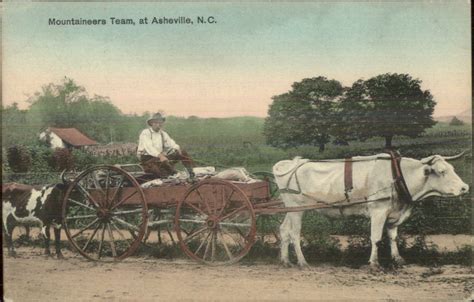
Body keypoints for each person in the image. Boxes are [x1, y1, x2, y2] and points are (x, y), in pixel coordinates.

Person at [137, 112, 195, 179]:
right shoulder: (146, 133)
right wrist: (160, 155)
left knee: (182, 152)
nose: (159, 124)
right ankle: (174, 174)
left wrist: (177, 148)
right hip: (148, 160)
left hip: (160, 158)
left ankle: (191, 173)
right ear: (152, 123)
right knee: (162, 173)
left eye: (161, 122)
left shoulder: (163, 134)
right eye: (157, 122)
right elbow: (149, 148)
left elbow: (171, 143)